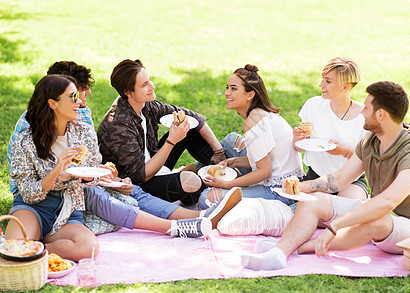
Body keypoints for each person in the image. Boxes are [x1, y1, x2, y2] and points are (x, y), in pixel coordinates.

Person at [6, 75, 242, 261]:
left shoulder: (82, 130)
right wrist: (58, 170)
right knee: (14, 250)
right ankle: (31, 244)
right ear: (52, 103)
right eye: (72, 97)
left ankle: (38, 246)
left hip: (70, 207)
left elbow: (90, 173)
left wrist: (111, 178)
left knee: (89, 248)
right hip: (35, 207)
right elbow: (28, 193)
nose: (79, 101)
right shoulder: (25, 140)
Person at [240, 81, 410, 271]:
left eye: (366, 108)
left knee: (375, 221)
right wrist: (305, 187)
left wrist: (337, 225)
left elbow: (387, 203)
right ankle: (280, 253)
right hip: (377, 209)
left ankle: (299, 247)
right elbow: (340, 179)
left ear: (380, 114)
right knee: (313, 200)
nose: (361, 112)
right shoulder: (371, 141)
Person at [97, 59, 225, 205]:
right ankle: (206, 176)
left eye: (149, 80)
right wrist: (171, 142)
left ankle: (221, 167)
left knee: (188, 127)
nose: (152, 86)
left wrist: (218, 151)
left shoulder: (146, 105)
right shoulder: (118, 125)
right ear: (128, 92)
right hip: (139, 184)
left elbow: (193, 117)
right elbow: (141, 176)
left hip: (154, 163)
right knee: (193, 184)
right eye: (144, 85)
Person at [197, 64, 304, 209]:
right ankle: (193, 175)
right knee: (230, 141)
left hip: (282, 191)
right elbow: (265, 161)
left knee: (207, 199)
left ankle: (193, 180)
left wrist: (227, 184)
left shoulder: (254, 123)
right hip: (284, 178)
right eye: (227, 87)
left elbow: (265, 171)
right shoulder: (260, 114)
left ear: (250, 94)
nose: (227, 93)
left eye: (233, 89)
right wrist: (234, 162)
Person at [7, 61, 95, 195]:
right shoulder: (30, 124)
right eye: (81, 89)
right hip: (35, 190)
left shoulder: (82, 112)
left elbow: (90, 161)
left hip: (72, 188)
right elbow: (25, 174)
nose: (88, 92)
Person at [294, 57, 368, 200]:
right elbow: (300, 148)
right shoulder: (313, 105)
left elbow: (370, 162)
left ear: (345, 87)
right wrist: (297, 139)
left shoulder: (364, 117)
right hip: (316, 177)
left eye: (328, 81)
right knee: (312, 210)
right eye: (322, 78)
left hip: (351, 181)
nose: (320, 84)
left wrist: (345, 152)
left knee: (347, 209)